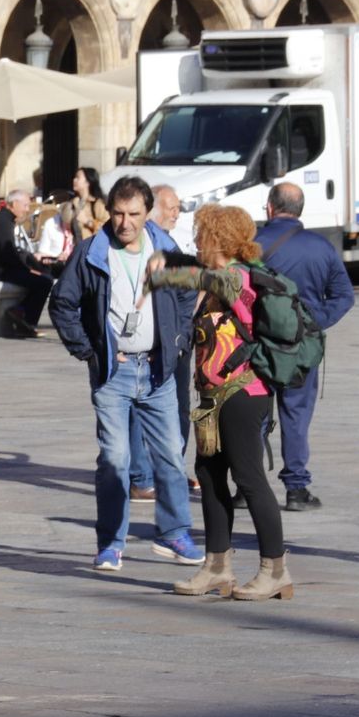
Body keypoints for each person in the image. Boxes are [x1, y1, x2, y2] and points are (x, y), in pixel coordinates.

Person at [48, 175, 202, 572]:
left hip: (157, 370)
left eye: (133, 213)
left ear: (147, 213)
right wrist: (87, 349)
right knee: (115, 459)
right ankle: (111, 543)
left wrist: (179, 339)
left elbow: (189, 293)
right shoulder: (92, 253)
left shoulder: (165, 250)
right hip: (113, 375)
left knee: (170, 454)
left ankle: (173, 534)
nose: (125, 222)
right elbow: (62, 304)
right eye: (118, 213)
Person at [145, 204, 291, 600]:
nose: (197, 240)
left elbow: (191, 275)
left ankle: (274, 569)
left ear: (218, 239)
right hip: (211, 396)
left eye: (202, 233)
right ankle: (217, 567)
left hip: (243, 394)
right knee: (209, 476)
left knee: (249, 478)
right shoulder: (217, 280)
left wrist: (162, 272)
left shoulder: (235, 278)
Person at [254, 182, 355, 512]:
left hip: (257, 345)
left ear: (269, 207)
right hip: (301, 347)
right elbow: (344, 296)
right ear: (300, 210)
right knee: (296, 415)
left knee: (254, 414)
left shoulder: (252, 245)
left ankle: (247, 486)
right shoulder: (321, 247)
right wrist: (314, 321)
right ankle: (296, 489)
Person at [129, 183, 196, 501]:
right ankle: (153, 475)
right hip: (161, 341)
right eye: (172, 207)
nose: (177, 212)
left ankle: (153, 474)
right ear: (154, 209)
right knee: (164, 407)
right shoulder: (154, 241)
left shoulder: (155, 240)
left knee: (148, 405)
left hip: (157, 339)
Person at [0, 190, 51, 337]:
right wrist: (28, 271)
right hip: (0, 272)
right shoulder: (3, 222)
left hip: (3, 269)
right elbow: (8, 255)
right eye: (25, 205)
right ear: (14, 204)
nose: (27, 209)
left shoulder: (5, 220)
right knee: (44, 282)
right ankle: (24, 318)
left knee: (43, 279)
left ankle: (24, 319)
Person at [70, 167, 109, 241]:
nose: (74, 180)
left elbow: (108, 228)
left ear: (87, 182)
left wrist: (88, 222)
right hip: (77, 249)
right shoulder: (74, 203)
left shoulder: (98, 204)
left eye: (78, 177)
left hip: (91, 248)